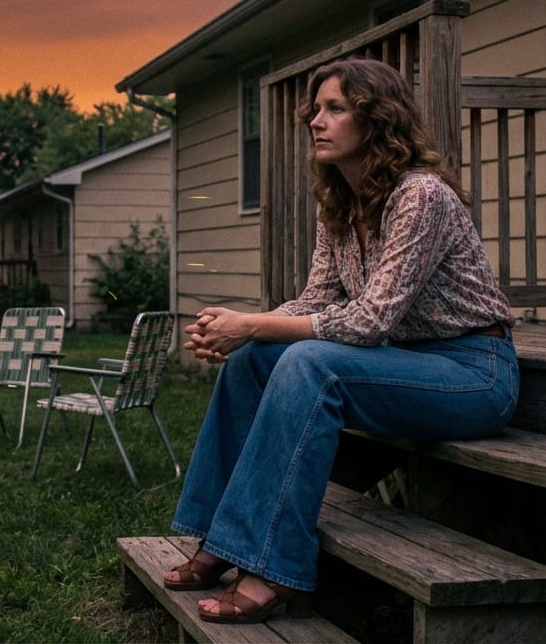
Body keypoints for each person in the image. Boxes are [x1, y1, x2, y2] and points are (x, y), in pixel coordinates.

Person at [162, 57, 518, 625]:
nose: (316, 122)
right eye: (315, 110)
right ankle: (216, 540)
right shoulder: (341, 203)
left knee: (308, 364)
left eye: (335, 109)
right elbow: (318, 300)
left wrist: (252, 323)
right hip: (401, 363)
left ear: (377, 119)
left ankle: (270, 568)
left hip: (473, 371)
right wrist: (241, 333)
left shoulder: (420, 196)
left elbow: (370, 320)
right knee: (254, 362)